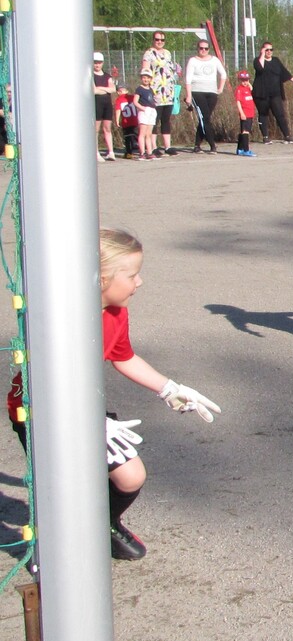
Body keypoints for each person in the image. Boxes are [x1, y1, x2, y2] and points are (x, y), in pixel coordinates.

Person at [7, 229, 222, 560]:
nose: (140, 282)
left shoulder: (117, 313)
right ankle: (53, 552)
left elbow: (123, 357)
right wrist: (88, 421)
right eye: (132, 275)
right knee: (64, 486)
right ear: (101, 278)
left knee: (131, 476)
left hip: (81, 405)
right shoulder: (61, 318)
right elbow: (52, 381)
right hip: (42, 411)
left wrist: (170, 389)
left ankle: (102, 524)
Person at [184, 39, 227, 154]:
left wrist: (220, 88)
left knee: (205, 118)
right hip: (197, 92)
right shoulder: (193, 61)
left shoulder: (214, 60)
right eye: (201, 48)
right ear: (197, 49)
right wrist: (188, 95)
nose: (203, 50)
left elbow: (223, 74)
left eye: (206, 48)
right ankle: (212, 144)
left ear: (209, 49)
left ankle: (197, 145)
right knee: (205, 118)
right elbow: (188, 79)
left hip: (212, 92)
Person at [252, 41, 293, 143]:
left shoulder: (276, 60)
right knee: (263, 114)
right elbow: (260, 69)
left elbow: (284, 72)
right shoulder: (257, 60)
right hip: (261, 93)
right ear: (262, 50)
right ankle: (265, 137)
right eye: (267, 50)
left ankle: (287, 135)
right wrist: (262, 55)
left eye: (271, 49)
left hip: (275, 93)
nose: (269, 52)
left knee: (280, 114)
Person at [141, 31, 178, 155]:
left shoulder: (167, 53)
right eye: (157, 39)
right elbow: (145, 71)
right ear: (153, 40)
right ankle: (153, 146)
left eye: (162, 40)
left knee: (166, 119)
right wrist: (147, 88)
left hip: (168, 91)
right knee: (154, 119)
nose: (160, 42)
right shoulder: (149, 53)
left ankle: (167, 146)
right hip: (155, 90)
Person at [93, 52, 117, 162]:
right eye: (95, 62)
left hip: (107, 104)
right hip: (97, 104)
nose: (97, 65)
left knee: (107, 128)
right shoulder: (91, 75)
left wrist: (101, 88)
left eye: (99, 62)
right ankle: (96, 152)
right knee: (96, 129)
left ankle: (111, 152)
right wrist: (106, 89)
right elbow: (94, 90)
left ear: (102, 63)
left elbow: (113, 89)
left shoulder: (107, 76)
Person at [134, 69, 160, 161]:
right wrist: (143, 109)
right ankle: (142, 153)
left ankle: (149, 152)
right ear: (141, 78)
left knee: (149, 134)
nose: (146, 79)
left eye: (148, 78)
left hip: (151, 111)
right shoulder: (139, 89)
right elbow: (135, 102)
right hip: (144, 111)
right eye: (144, 77)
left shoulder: (151, 89)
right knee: (142, 133)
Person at [233, 70, 257, 157]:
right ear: (239, 80)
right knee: (245, 131)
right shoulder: (239, 90)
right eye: (243, 80)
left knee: (244, 131)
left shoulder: (248, 88)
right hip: (245, 113)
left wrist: (249, 84)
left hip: (250, 113)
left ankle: (240, 149)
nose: (245, 82)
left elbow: (252, 89)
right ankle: (246, 150)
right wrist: (241, 113)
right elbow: (238, 102)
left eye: (246, 80)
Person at [114, 84, 139, 158]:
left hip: (126, 121)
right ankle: (141, 149)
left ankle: (129, 152)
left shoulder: (119, 100)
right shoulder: (132, 97)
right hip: (135, 119)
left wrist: (117, 120)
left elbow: (118, 110)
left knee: (127, 137)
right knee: (135, 134)